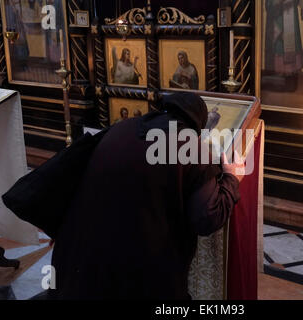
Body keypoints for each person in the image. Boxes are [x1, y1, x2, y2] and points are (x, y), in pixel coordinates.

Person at [48, 92, 243, 300]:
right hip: (136, 274)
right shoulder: (190, 146)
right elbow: (207, 217)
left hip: (75, 261)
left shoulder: (121, 127)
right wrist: (232, 178)